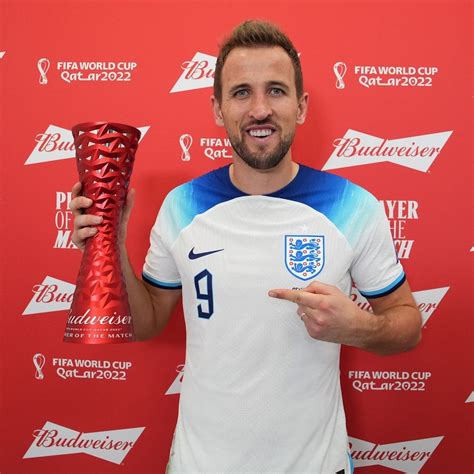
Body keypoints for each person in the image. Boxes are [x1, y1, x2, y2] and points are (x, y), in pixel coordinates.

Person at [70, 20, 422, 474]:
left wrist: (358, 328)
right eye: (241, 93)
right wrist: (109, 244)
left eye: (276, 91)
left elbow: (408, 326)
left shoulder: (354, 206)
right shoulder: (182, 207)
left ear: (301, 106)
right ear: (217, 109)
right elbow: (147, 323)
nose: (260, 109)